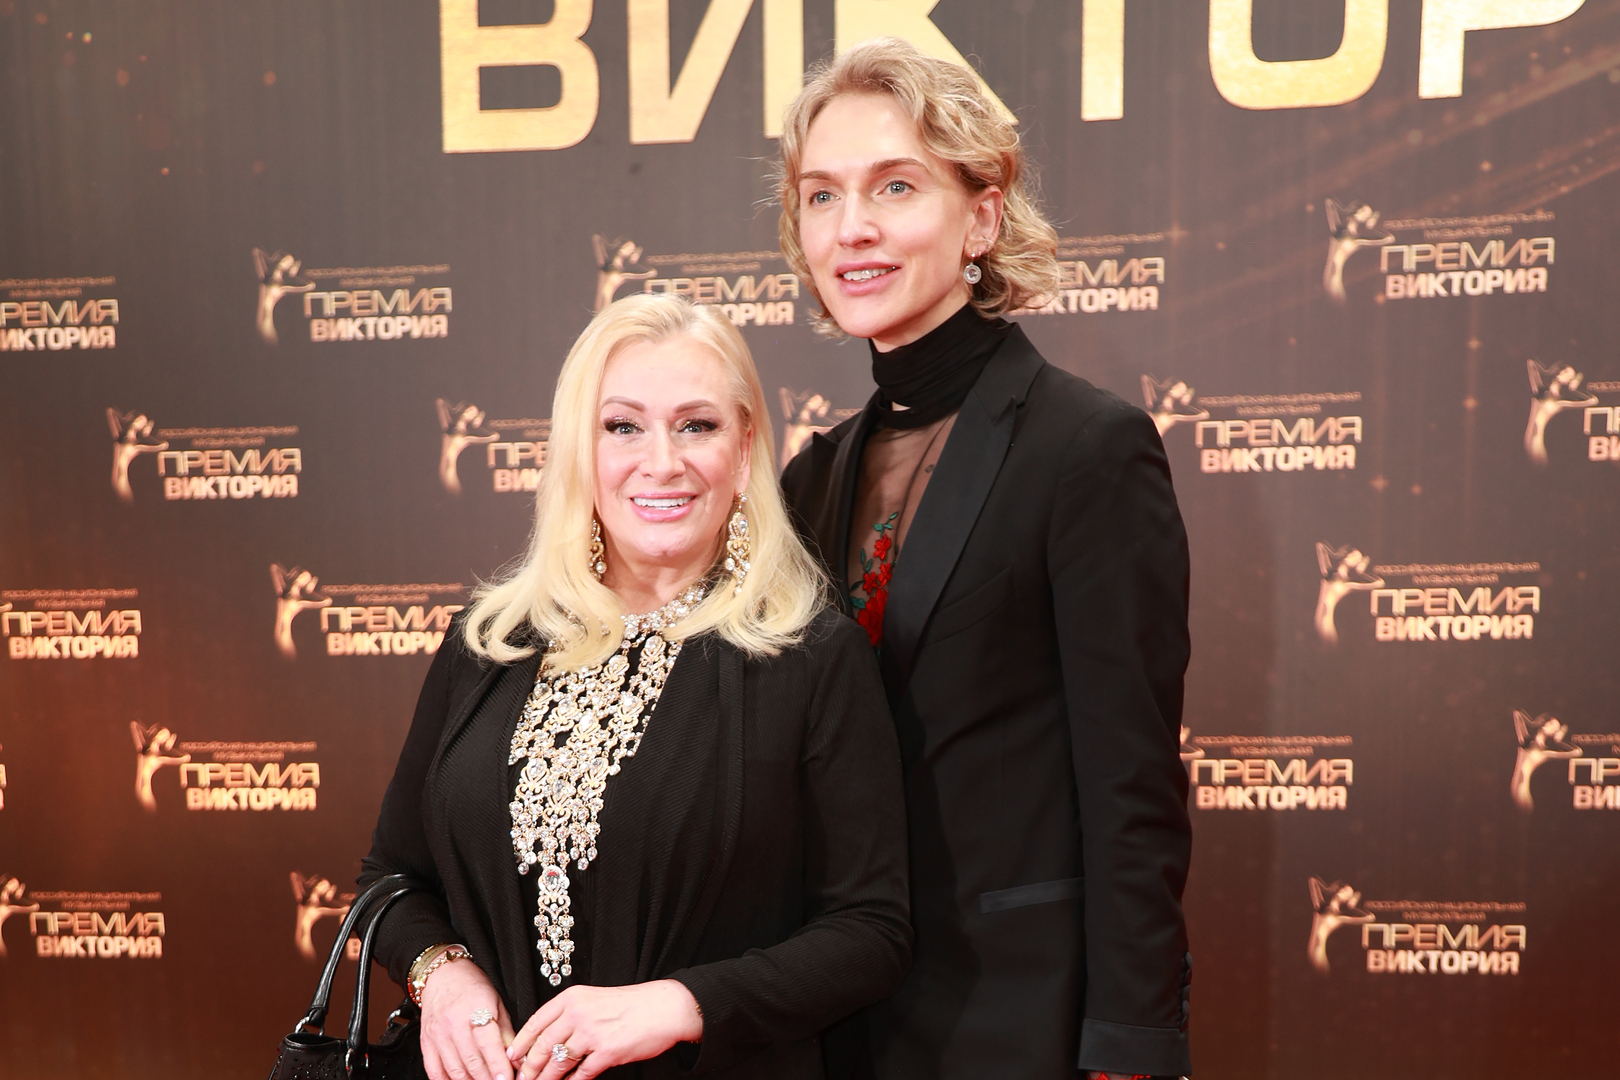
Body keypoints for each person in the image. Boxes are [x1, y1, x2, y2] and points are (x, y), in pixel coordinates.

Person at [775, 39, 1193, 1080]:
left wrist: (1132, 1049)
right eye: (822, 195)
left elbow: (1132, 788)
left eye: (896, 186)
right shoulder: (809, 479)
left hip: (1019, 1016)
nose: (852, 227)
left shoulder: (1086, 449)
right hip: (835, 1024)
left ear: (983, 218)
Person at [359, 293, 911, 1080]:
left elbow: (871, 931)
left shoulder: (813, 657)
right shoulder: (490, 641)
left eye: (697, 425)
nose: (661, 462)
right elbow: (390, 878)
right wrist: (442, 976)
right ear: (577, 450)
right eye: (622, 426)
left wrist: (680, 1004)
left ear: (744, 447)